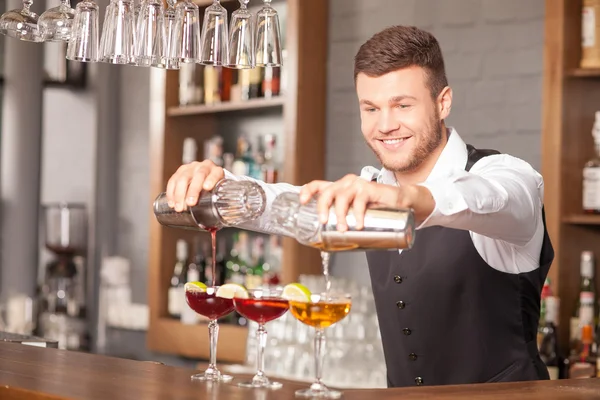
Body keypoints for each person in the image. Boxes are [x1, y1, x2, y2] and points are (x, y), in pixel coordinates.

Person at [165, 25, 554, 388]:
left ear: (443, 102)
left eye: (402, 105)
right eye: (370, 108)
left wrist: (412, 199)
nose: (385, 125)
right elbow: (285, 203)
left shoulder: (502, 176)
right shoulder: (371, 188)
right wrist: (221, 182)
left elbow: (500, 199)